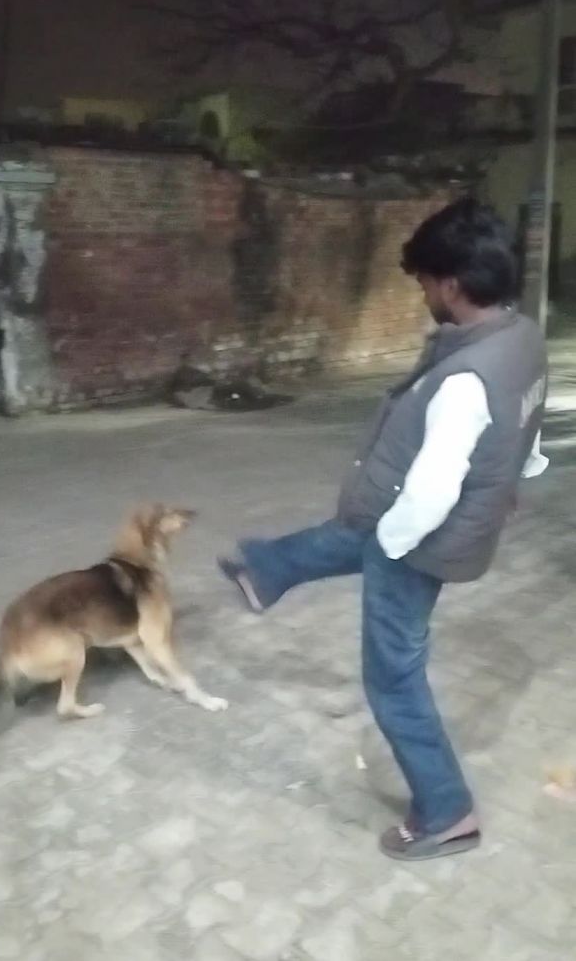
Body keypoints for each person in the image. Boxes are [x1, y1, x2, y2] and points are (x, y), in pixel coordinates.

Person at [219, 198, 548, 861]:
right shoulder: (522, 337)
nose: (422, 293)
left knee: (394, 678)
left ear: (450, 285)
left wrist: (391, 548)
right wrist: (512, 476)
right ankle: (266, 570)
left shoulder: (464, 379)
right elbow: (527, 426)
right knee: (352, 532)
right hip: (439, 518)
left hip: (423, 540)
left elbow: (430, 495)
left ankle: (446, 812)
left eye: (423, 281)